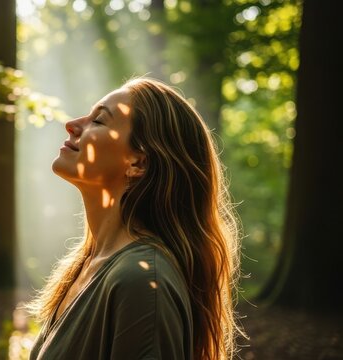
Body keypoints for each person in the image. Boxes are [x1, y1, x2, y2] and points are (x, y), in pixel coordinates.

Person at [27, 77, 245, 360]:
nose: (72, 124)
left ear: (137, 163)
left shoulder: (141, 280)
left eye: (99, 121)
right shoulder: (88, 265)